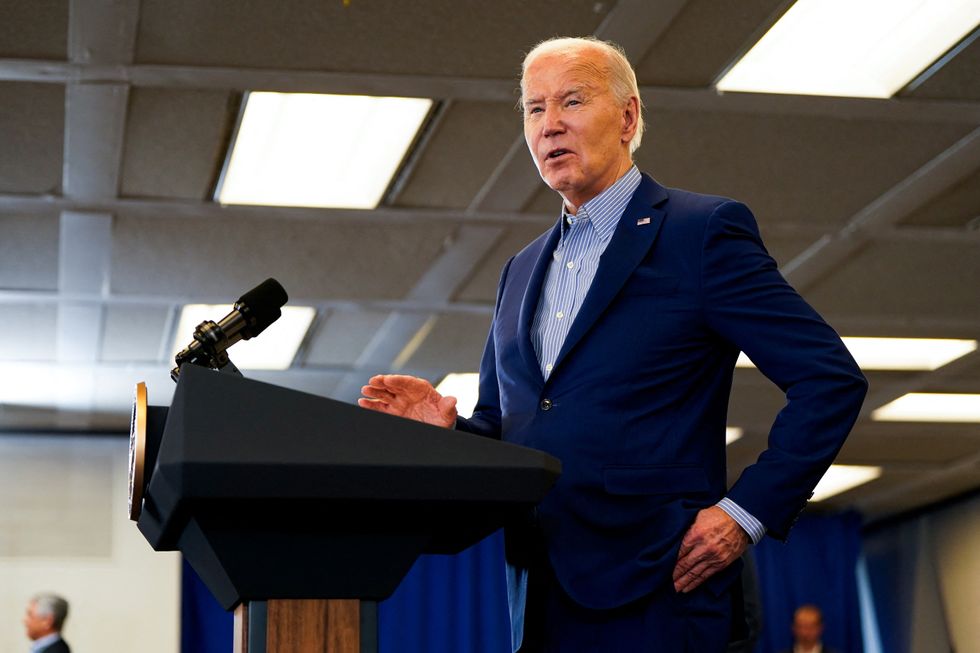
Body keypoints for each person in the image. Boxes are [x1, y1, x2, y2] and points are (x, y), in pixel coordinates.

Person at [359, 36, 867, 652]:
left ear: (627, 117)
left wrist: (744, 515)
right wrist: (451, 434)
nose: (550, 126)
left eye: (571, 101)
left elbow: (829, 379)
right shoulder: (518, 270)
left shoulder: (701, 232)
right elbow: (513, 432)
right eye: (533, 109)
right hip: (541, 597)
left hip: (663, 589)